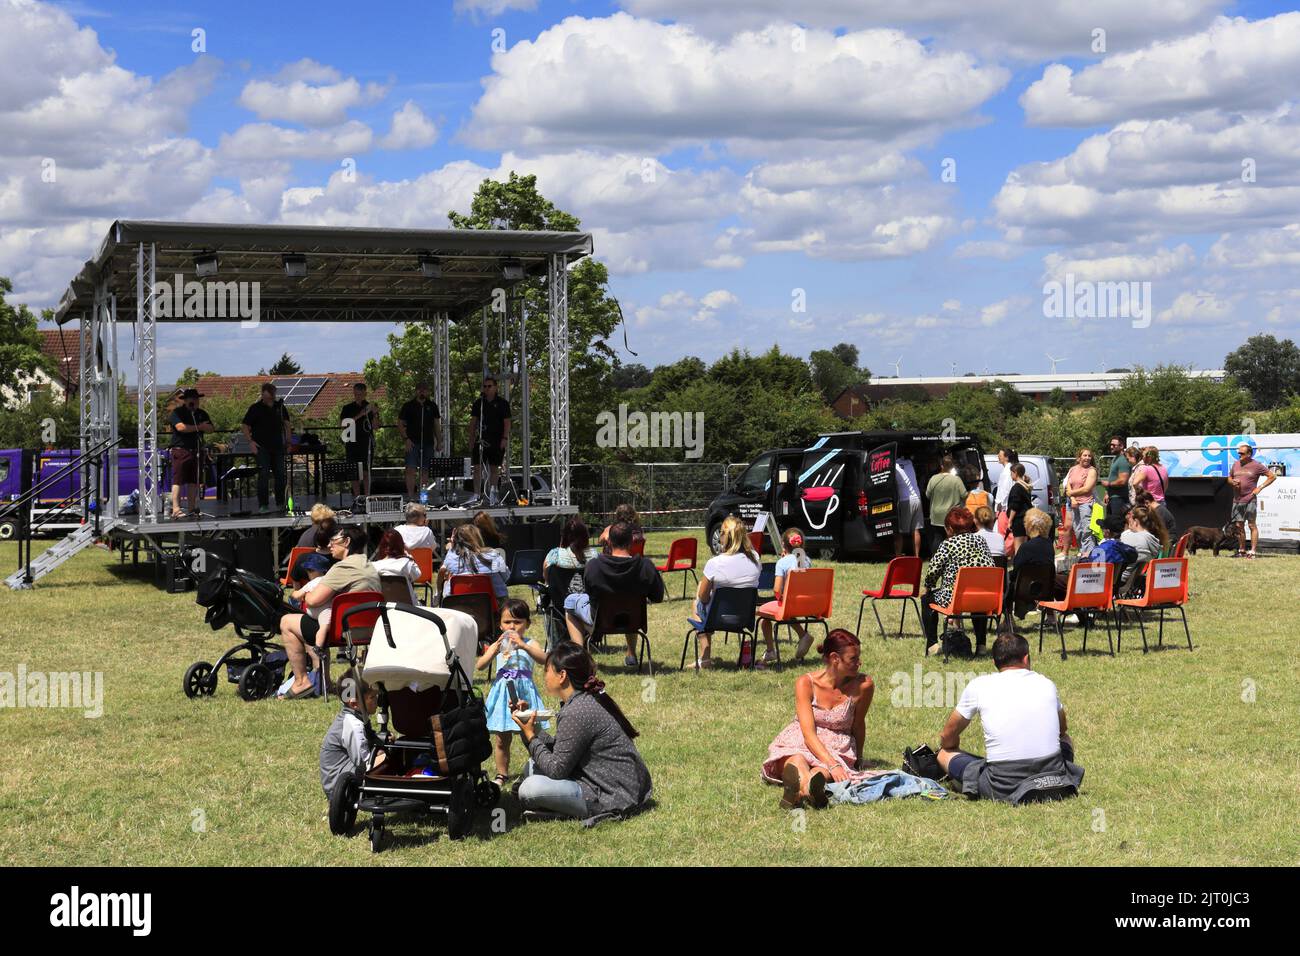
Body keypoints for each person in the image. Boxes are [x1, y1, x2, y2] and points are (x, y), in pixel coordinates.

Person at [933, 632, 1083, 805]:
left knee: (944, 753)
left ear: (994, 663)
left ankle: (967, 780)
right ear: (1026, 659)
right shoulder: (1046, 683)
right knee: (1065, 739)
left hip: (1002, 785)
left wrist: (955, 748)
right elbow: (1062, 730)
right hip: (1053, 778)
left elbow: (947, 736)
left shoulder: (979, 686)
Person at [512, 642, 653, 824]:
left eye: (546, 670)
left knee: (529, 788)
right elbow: (562, 752)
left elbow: (556, 769)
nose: (544, 676)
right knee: (531, 766)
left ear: (562, 675)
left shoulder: (576, 711)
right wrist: (530, 727)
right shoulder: (581, 702)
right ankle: (557, 808)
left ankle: (568, 812)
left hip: (611, 794)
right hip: (608, 782)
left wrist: (531, 736)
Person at [761, 630, 874, 810]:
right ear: (835, 658)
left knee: (821, 772)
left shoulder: (863, 685)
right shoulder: (805, 683)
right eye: (853, 659)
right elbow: (808, 734)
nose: (859, 663)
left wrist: (858, 758)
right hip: (803, 739)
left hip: (838, 744)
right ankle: (809, 790)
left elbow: (858, 724)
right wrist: (834, 764)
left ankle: (800, 790)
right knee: (796, 759)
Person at [277, 526, 380, 700]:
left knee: (287, 621)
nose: (330, 545)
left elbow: (313, 601)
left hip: (340, 632)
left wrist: (306, 593)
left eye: (334, 541)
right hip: (367, 630)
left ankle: (302, 681)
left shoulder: (342, 568)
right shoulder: (369, 566)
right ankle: (324, 681)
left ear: (347, 542)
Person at [566, 522, 665, 665]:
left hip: (600, 622)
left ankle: (581, 658)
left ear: (609, 541)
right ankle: (631, 655)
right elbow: (658, 596)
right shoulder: (645, 566)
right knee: (628, 602)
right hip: (633, 621)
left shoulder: (594, 566)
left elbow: (589, 593)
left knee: (570, 602)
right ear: (632, 541)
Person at [477, 598, 549, 787]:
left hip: (524, 692)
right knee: (502, 738)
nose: (512, 626)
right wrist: (494, 650)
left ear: (527, 623)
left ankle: (539, 768)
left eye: (518, 622)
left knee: (531, 735)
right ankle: (502, 774)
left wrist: (524, 646)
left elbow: (544, 659)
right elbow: (481, 665)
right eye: (507, 622)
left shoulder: (530, 642)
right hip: (503, 693)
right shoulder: (498, 644)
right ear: (500, 625)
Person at [687, 515, 761, 669]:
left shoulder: (715, 563)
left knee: (696, 603)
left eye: (721, 532)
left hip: (717, 617)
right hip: (745, 617)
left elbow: (703, 597)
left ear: (724, 536)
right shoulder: (755, 558)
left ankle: (705, 656)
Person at [921, 506, 994, 653]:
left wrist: (928, 586)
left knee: (926, 600)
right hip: (983, 597)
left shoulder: (948, 544)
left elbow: (933, 571)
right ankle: (981, 646)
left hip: (955, 599)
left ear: (949, 529)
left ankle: (932, 645)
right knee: (977, 604)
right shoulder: (981, 541)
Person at [319, 666, 385, 799]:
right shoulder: (353, 725)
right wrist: (384, 754)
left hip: (346, 774)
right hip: (340, 787)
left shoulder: (355, 716)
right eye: (372, 697)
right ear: (354, 704)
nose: (377, 701)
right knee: (386, 758)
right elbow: (365, 761)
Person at [759, 528, 814, 662]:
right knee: (786, 609)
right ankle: (803, 635)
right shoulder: (807, 560)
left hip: (790, 606)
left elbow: (777, 590)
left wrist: (781, 599)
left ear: (783, 545)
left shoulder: (782, 563)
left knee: (763, 615)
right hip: (809, 605)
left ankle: (771, 650)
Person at [241, 382, 292, 514]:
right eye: (267, 396)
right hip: (261, 447)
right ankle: (263, 504)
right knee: (263, 476)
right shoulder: (255, 408)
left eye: (271, 396)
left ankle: (280, 502)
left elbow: (287, 425)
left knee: (280, 475)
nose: (269, 398)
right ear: (263, 395)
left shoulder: (279, 407)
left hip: (278, 447)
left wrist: (288, 442)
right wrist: (250, 442)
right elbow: (245, 426)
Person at [168, 387, 214, 519]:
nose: (194, 401)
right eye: (191, 399)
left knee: (194, 481)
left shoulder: (201, 413)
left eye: (196, 399)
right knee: (178, 480)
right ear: (186, 400)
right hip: (181, 450)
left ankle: (192, 507)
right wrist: (199, 427)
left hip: (196, 450)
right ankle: (176, 509)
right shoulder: (177, 412)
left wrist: (203, 427)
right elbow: (181, 427)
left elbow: (211, 428)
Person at [468, 376, 512, 507]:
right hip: (481, 439)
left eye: (489, 386)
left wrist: (504, 438)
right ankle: (476, 494)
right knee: (477, 467)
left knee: (494, 468)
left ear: (495, 387)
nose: (487, 389)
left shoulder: (502, 403)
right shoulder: (479, 403)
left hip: (497, 439)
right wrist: (471, 439)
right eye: (485, 386)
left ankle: (493, 494)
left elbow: (507, 423)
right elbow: (473, 423)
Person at [438, 523, 509, 600]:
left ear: (456, 540)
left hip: (458, 606)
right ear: (478, 537)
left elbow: (442, 570)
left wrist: (453, 546)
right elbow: (507, 578)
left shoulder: (451, 557)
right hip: (492, 605)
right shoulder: (493, 555)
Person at [1228, 442, 1275, 558]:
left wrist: (1260, 488)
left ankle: (1253, 552)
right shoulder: (1235, 464)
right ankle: (1242, 550)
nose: (1239, 455)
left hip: (1250, 499)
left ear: (1249, 454)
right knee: (1239, 526)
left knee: (1251, 525)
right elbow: (1229, 477)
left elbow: (1272, 476)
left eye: (1242, 453)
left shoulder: (1257, 465)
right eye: (1238, 453)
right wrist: (1232, 482)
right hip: (1237, 500)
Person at [397, 381, 441, 502]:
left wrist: (439, 441)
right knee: (410, 469)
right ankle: (411, 496)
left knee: (425, 470)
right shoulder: (408, 405)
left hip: (428, 442)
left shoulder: (432, 406)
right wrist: (406, 439)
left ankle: (423, 496)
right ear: (416, 391)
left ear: (428, 392)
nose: (422, 391)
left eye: (424, 389)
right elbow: (400, 423)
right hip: (412, 442)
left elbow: (436, 424)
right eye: (419, 389)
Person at [339, 382, 379, 505]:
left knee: (366, 472)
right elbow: (343, 424)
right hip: (352, 442)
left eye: (361, 395)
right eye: (356, 394)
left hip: (366, 443)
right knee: (354, 472)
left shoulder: (370, 407)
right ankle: (357, 498)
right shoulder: (347, 408)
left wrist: (375, 413)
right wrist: (361, 414)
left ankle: (367, 497)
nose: (358, 397)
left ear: (365, 394)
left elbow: (376, 427)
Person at [924, 454, 967, 556]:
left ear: (941, 466)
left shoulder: (933, 478)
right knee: (953, 538)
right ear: (952, 467)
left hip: (936, 514)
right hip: (952, 515)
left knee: (938, 537)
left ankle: (936, 557)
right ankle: (952, 557)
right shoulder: (956, 480)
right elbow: (964, 495)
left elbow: (927, 495)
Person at [1064, 448, 1099, 556]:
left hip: (1086, 503)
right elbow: (1067, 484)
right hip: (1073, 503)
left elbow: (1086, 489)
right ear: (1079, 457)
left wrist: (1071, 493)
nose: (1087, 458)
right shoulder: (1073, 469)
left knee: (1086, 530)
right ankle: (1082, 551)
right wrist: (1072, 498)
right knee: (1077, 530)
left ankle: (1088, 554)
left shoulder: (1092, 471)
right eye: (1085, 455)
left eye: (1089, 456)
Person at [893, 456, 923, 558]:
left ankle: (898, 556)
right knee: (916, 530)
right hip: (917, 498)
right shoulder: (909, 462)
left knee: (899, 531)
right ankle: (917, 557)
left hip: (905, 500)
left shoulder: (893, 465)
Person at [1100, 436, 1131, 518]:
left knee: (1117, 525)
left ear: (1121, 446)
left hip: (1119, 499)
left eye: (1114, 445)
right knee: (1111, 526)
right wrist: (1107, 493)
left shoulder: (1123, 460)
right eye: (1111, 445)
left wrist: (1108, 484)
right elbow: (1112, 477)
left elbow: (1122, 481)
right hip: (1113, 498)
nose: (1111, 447)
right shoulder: (1115, 459)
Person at [1005, 462, 1034, 553]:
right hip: (1026, 519)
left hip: (1018, 519)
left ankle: (1019, 566)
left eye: (1011, 473)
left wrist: (1010, 520)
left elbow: (1015, 505)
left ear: (1016, 473)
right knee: (1025, 545)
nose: (1010, 475)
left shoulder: (1017, 487)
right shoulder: (1025, 486)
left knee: (1018, 547)